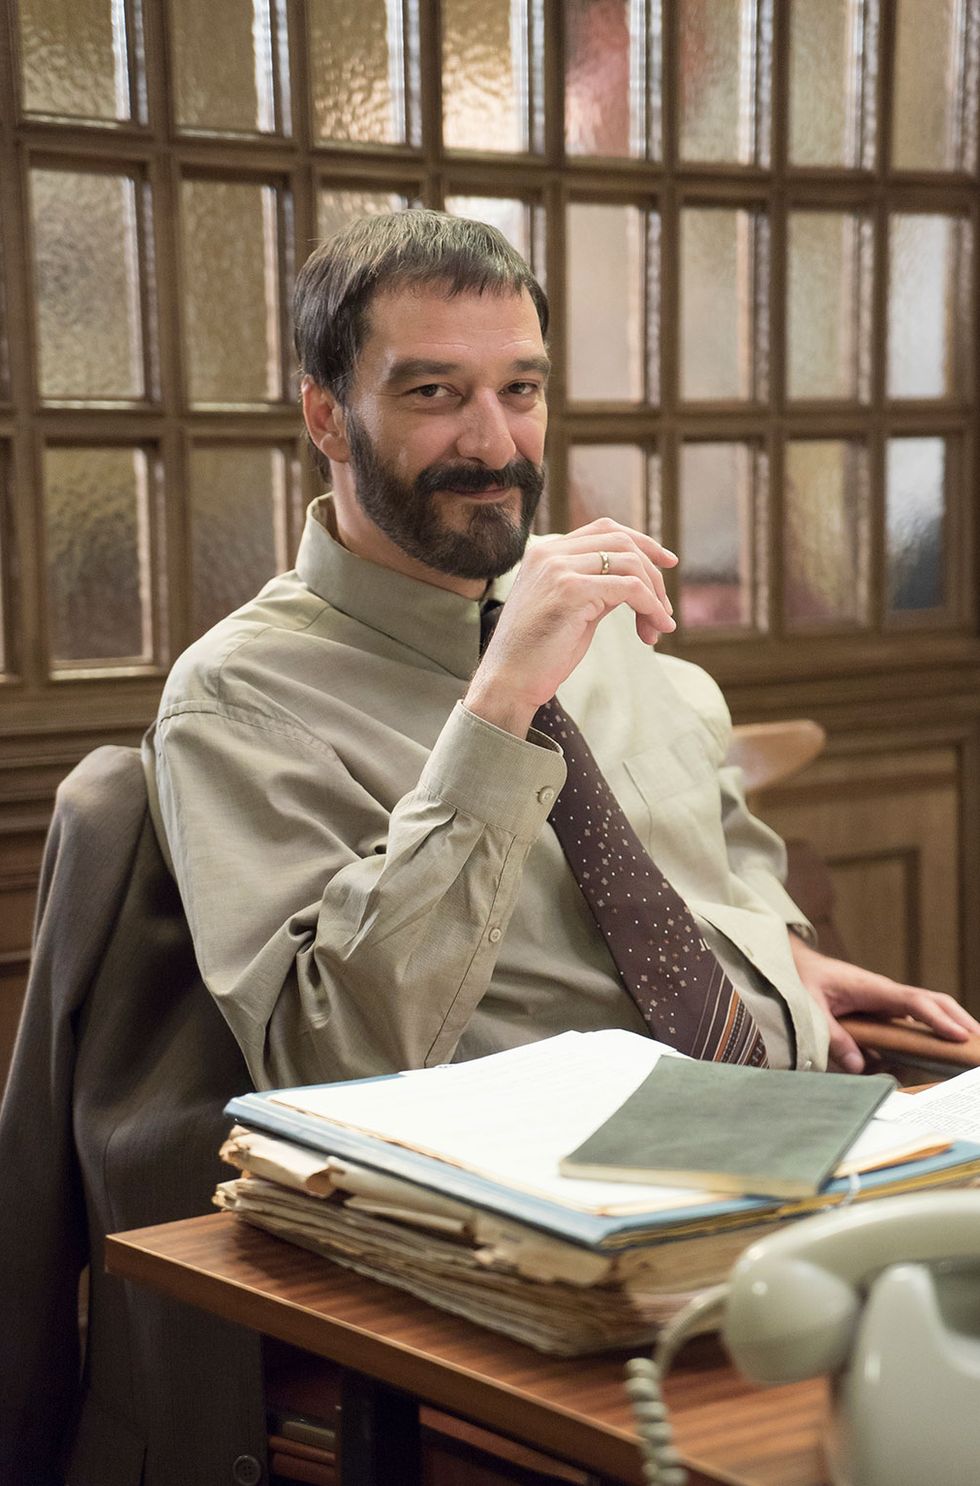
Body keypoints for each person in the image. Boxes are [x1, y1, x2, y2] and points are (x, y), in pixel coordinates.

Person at [144, 209, 980, 1089]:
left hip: (811, 1101)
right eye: (434, 392)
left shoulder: (596, 611)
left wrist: (779, 952)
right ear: (327, 416)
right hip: (539, 1180)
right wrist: (497, 710)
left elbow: (723, 833)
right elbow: (327, 1056)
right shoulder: (237, 699)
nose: (495, 444)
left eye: (521, 390)